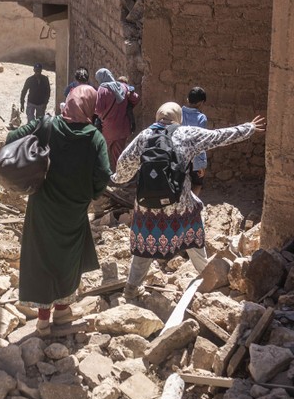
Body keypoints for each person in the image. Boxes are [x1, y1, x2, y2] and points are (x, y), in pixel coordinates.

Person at [111, 102, 265, 299]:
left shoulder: (144, 137)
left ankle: (132, 288)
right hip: (180, 205)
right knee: (193, 238)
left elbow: (123, 169)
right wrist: (248, 128)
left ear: (158, 117)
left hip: (147, 206)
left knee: (143, 248)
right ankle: (210, 279)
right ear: (178, 118)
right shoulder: (187, 134)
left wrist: (114, 179)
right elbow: (219, 136)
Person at [5, 85, 112, 335]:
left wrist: (34, 159)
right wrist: (91, 194)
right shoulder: (94, 137)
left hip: (42, 204)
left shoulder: (48, 125)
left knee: (42, 257)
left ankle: (43, 319)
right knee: (68, 257)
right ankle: (62, 310)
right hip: (74, 208)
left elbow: (12, 139)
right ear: (90, 107)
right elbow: (103, 174)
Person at [94, 68, 139, 171]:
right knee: (118, 155)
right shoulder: (123, 86)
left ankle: (102, 177)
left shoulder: (102, 89)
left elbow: (98, 110)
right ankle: (121, 179)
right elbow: (136, 98)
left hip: (108, 129)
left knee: (101, 153)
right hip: (123, 128)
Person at [181, 87, 208, 196]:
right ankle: (191, 207)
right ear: (202, 102)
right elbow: (200, 142)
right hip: (193, 158)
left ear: (188, 100)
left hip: (179, 157)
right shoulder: (201, 118)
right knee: (197, 183)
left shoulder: (179, 113)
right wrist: (200, 164)